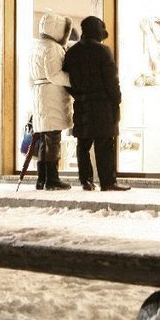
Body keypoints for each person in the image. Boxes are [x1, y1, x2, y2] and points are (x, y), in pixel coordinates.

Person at [63, 16, 129, 191]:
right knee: (105, 144)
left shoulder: (72, 52)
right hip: (103, 104)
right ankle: (108, 182)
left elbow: (66, 80)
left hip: (82, 104)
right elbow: (111, 81)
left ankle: (86, 181)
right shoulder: (103, 51)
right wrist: (117, 99)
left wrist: (78, 94)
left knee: (83, 144)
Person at [29, 12, 73, 191]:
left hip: (40, 93)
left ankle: (42, 178)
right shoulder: (52, 47)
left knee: (45, 139)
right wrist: (73, 79)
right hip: (52, 94)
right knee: (53, 138)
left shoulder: (36, 46)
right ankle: (52, 179)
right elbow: (54, 74)